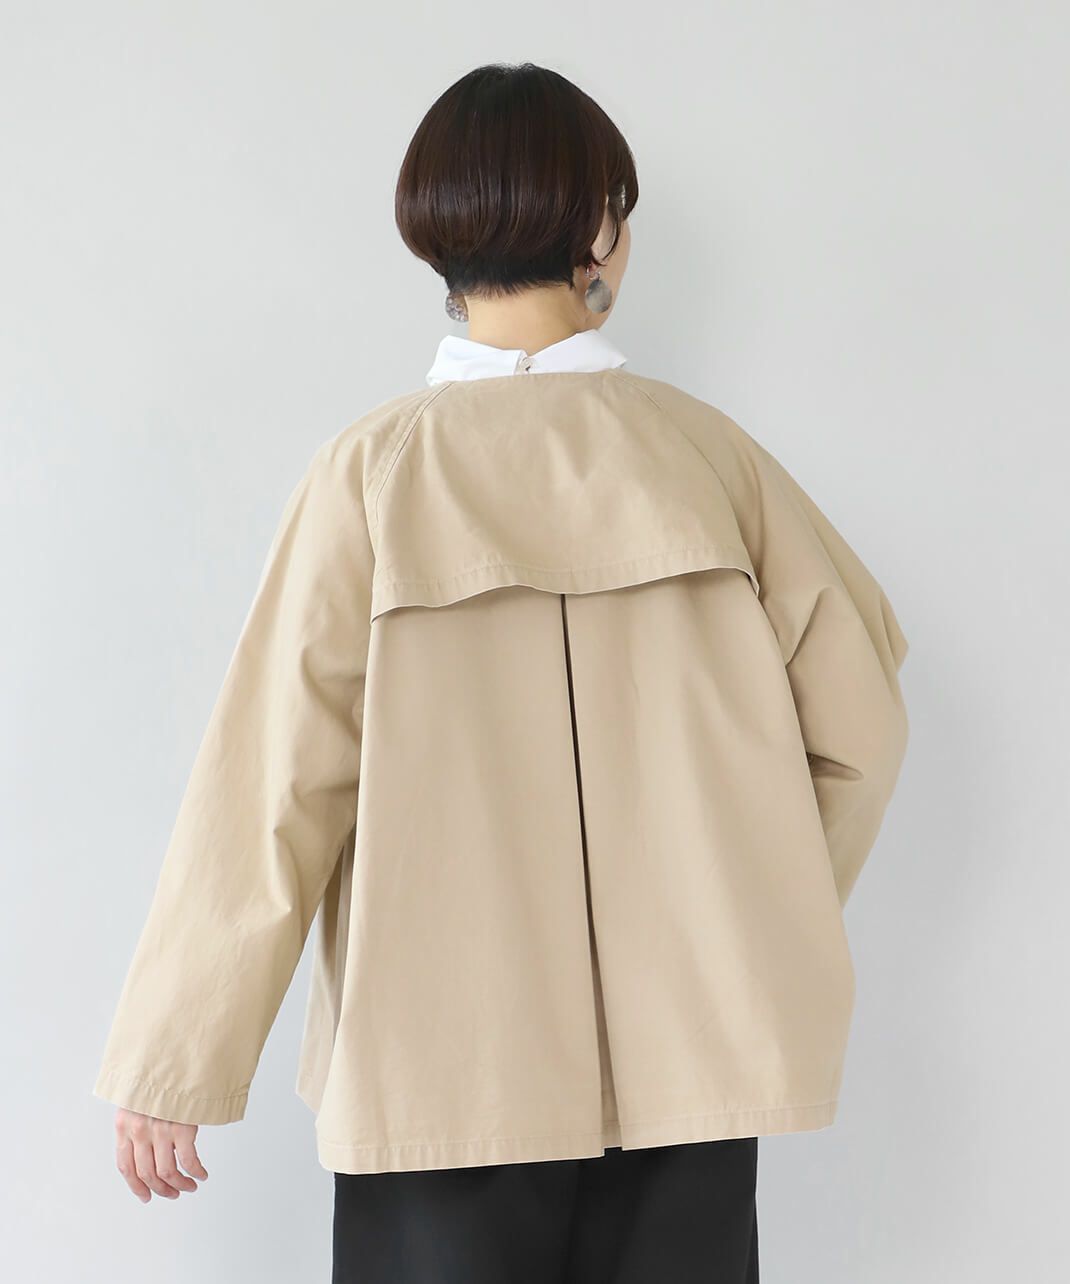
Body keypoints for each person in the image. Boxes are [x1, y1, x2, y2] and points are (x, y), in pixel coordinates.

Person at [93, 62, 910, 1283]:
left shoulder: (370, 476)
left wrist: (176, 1060)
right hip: (693, 1066)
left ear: (437, 236)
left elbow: (271, 789)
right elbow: (862, 727)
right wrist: (737, 919)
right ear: (600, 230)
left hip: (434, 1069)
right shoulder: (711, 463)